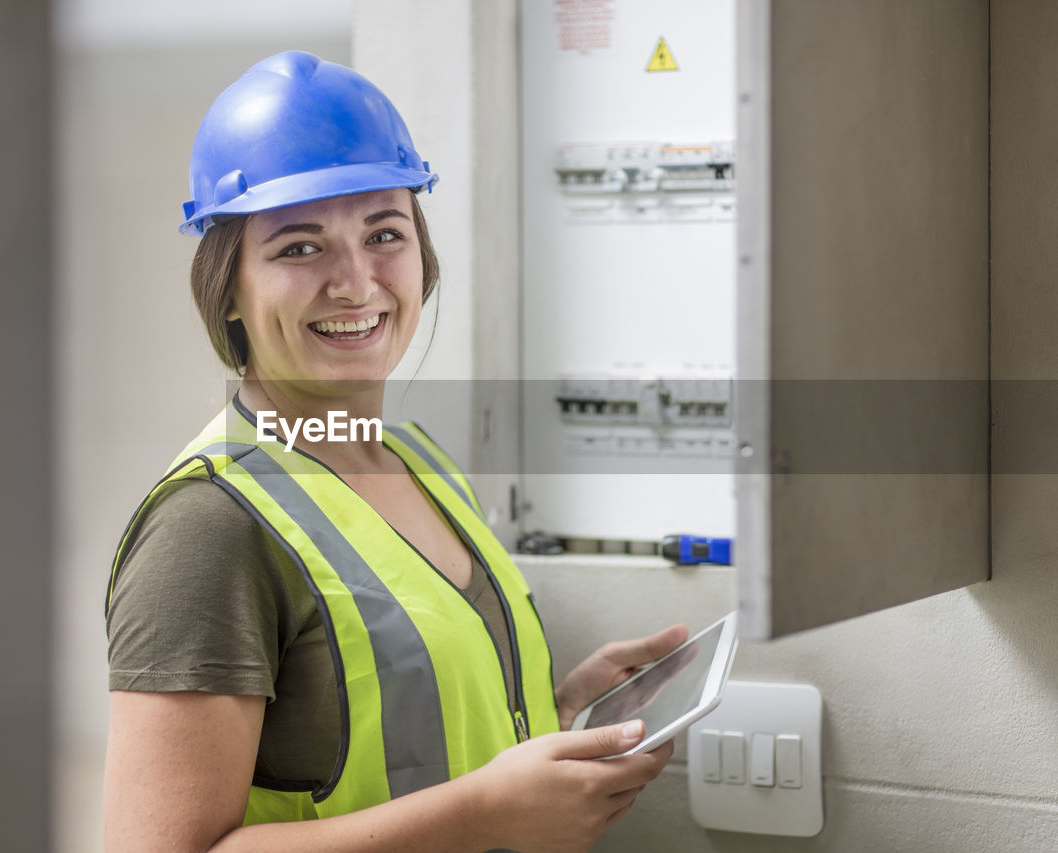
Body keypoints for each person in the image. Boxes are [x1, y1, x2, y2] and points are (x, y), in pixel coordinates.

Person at [102, 50, 687, 852]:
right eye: (298, 247)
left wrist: (554, 714)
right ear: (228, 290)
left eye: (384, 233)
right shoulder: (209, 528)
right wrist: (487, 811)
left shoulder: (417, 461)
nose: (354, 282)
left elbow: (410, 745)